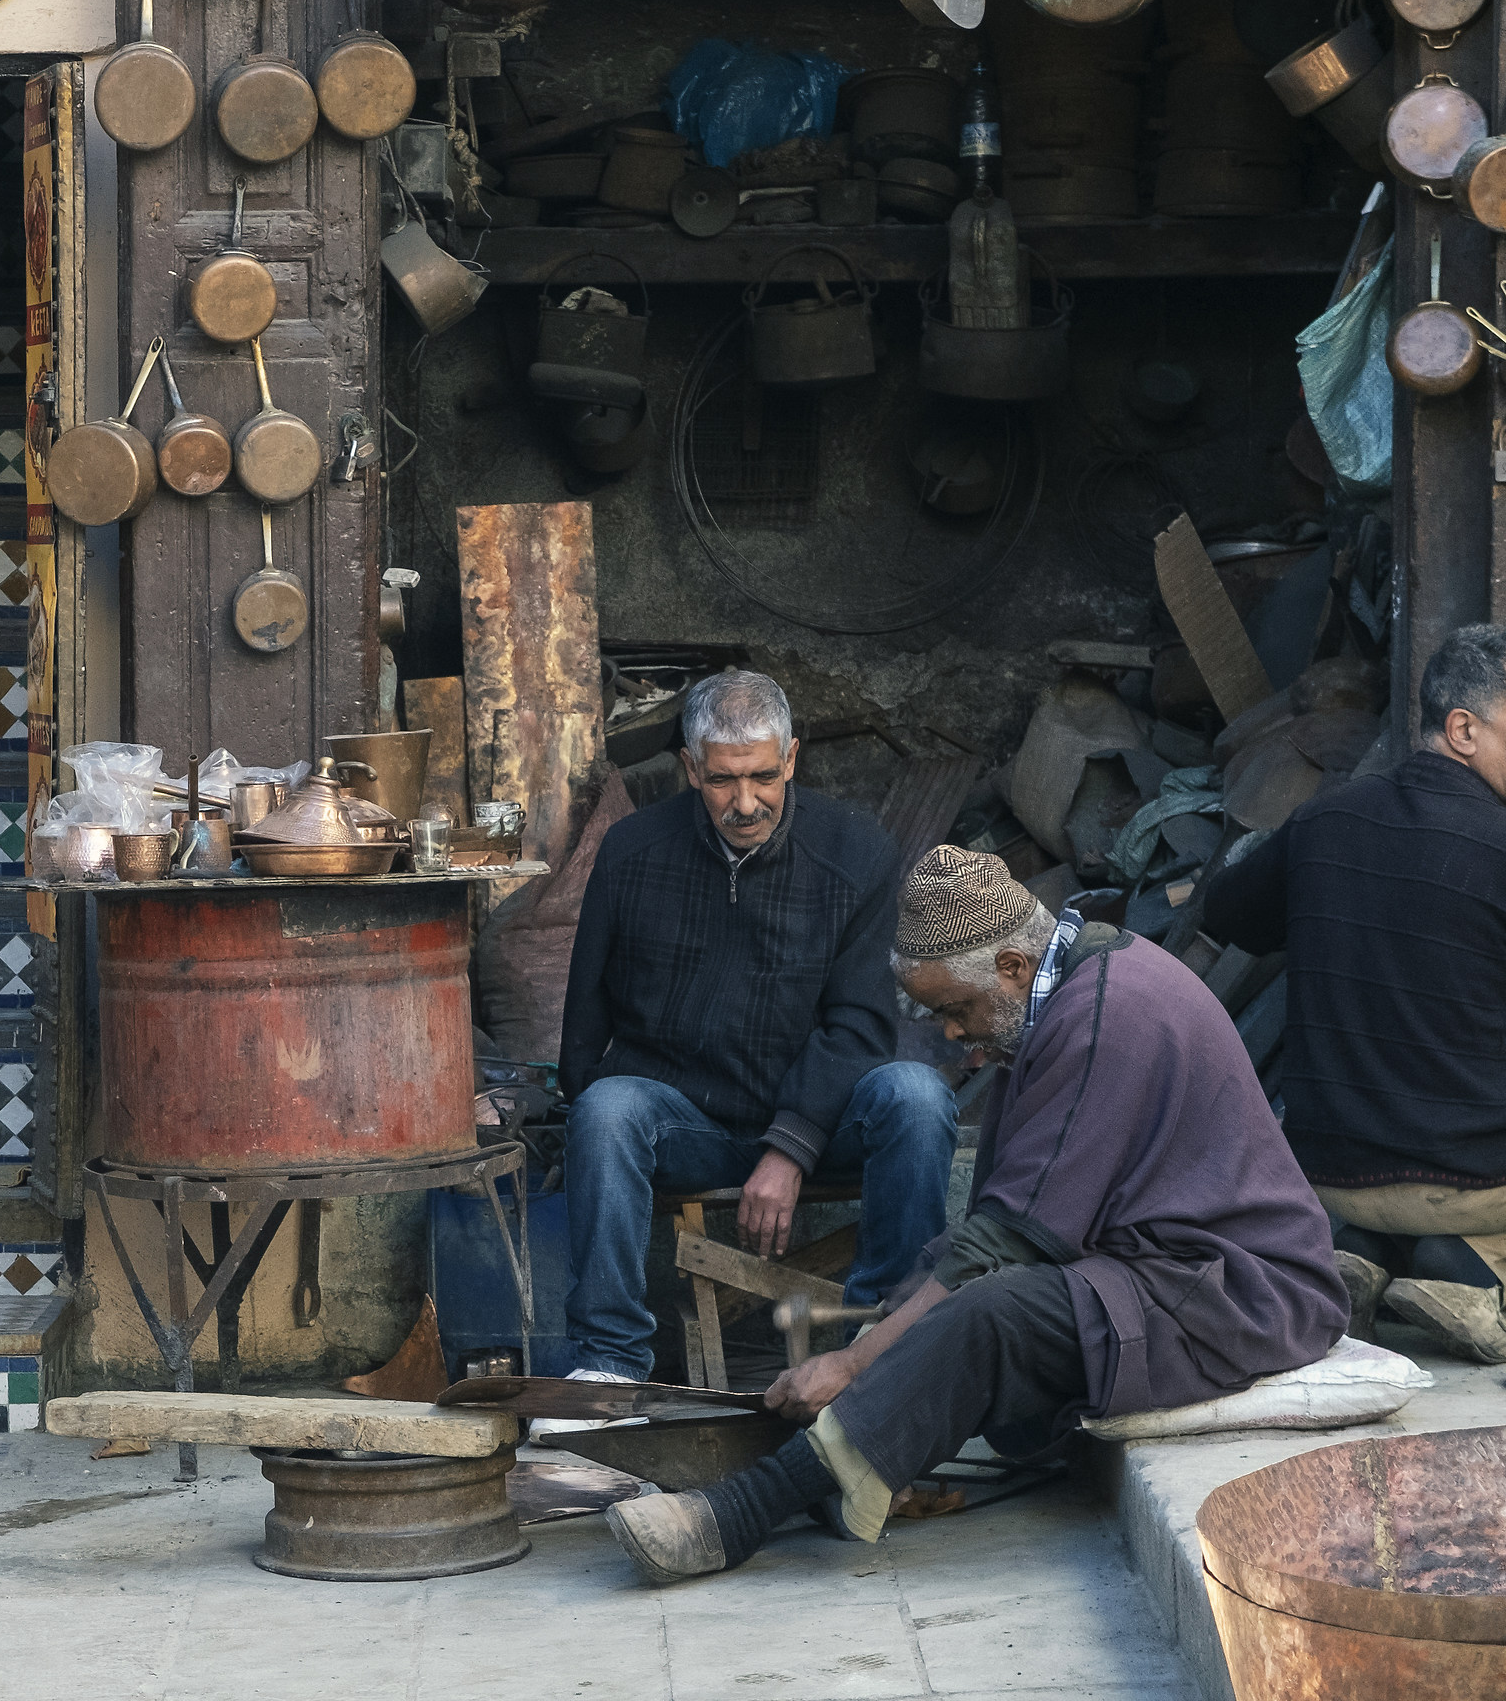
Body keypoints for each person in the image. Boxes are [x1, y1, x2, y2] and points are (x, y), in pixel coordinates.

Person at [604, 847, 1347, 1584]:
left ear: (1013, 969)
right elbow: (981, 1231)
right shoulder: (1063, 998)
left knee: (997, 1309)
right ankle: (846, 1471)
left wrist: (855, 1363)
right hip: (1160, 1271)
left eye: (955, 1011)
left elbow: (1006, 1246)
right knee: (952, 1284)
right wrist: (876, 1344)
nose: (953, 1034)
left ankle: (739, 1515)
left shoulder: (1101, 1016)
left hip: (1238, 1292)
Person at [555, 671, 958, 1396]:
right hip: (686, 1124)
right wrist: (582, 1127)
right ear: (689, 768)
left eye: (764, 777)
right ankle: (607, 1370)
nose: (745, 803)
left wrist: (790, 1144)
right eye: (722, 781)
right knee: (608, 1109)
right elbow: (586, 1018)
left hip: (818, 1120)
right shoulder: (632, 852)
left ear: (793, 758)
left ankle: (886, 1351)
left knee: (917, 1096)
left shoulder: (856, 851)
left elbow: (862, 1025)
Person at [1204, 623, 1506, 1362]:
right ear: (1462, 729)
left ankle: (1361, 1255)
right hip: (1471, 1183)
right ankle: (1477, 1275)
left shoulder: (1321, 822)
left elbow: (1226, 914)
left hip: (1328, 1176)